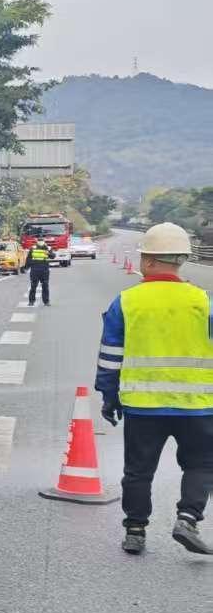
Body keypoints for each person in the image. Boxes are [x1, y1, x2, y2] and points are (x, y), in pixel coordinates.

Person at [96, 221, 213, 557]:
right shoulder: (204, 301)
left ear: (147, 260)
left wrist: (109, 397)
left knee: (138, 470)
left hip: (143, 406)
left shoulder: (127, 301)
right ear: (182, 260)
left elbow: (110, 356)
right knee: (202, 464)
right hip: (197, 405)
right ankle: (187, 519)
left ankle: (135, 531)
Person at [26, 238, 52, 306]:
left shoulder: (48, 248)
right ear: (37, 242)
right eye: (39, 241)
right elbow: (28, 258)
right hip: (35, 270)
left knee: (45, 286)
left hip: (44, 270)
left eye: (41, 241)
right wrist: (27, 267)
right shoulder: (33, 248)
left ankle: (46, 302)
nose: (40, 242)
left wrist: (48, 252)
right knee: (33, 286)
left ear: (44, 242)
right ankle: (31, 301)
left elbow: (53, 256)